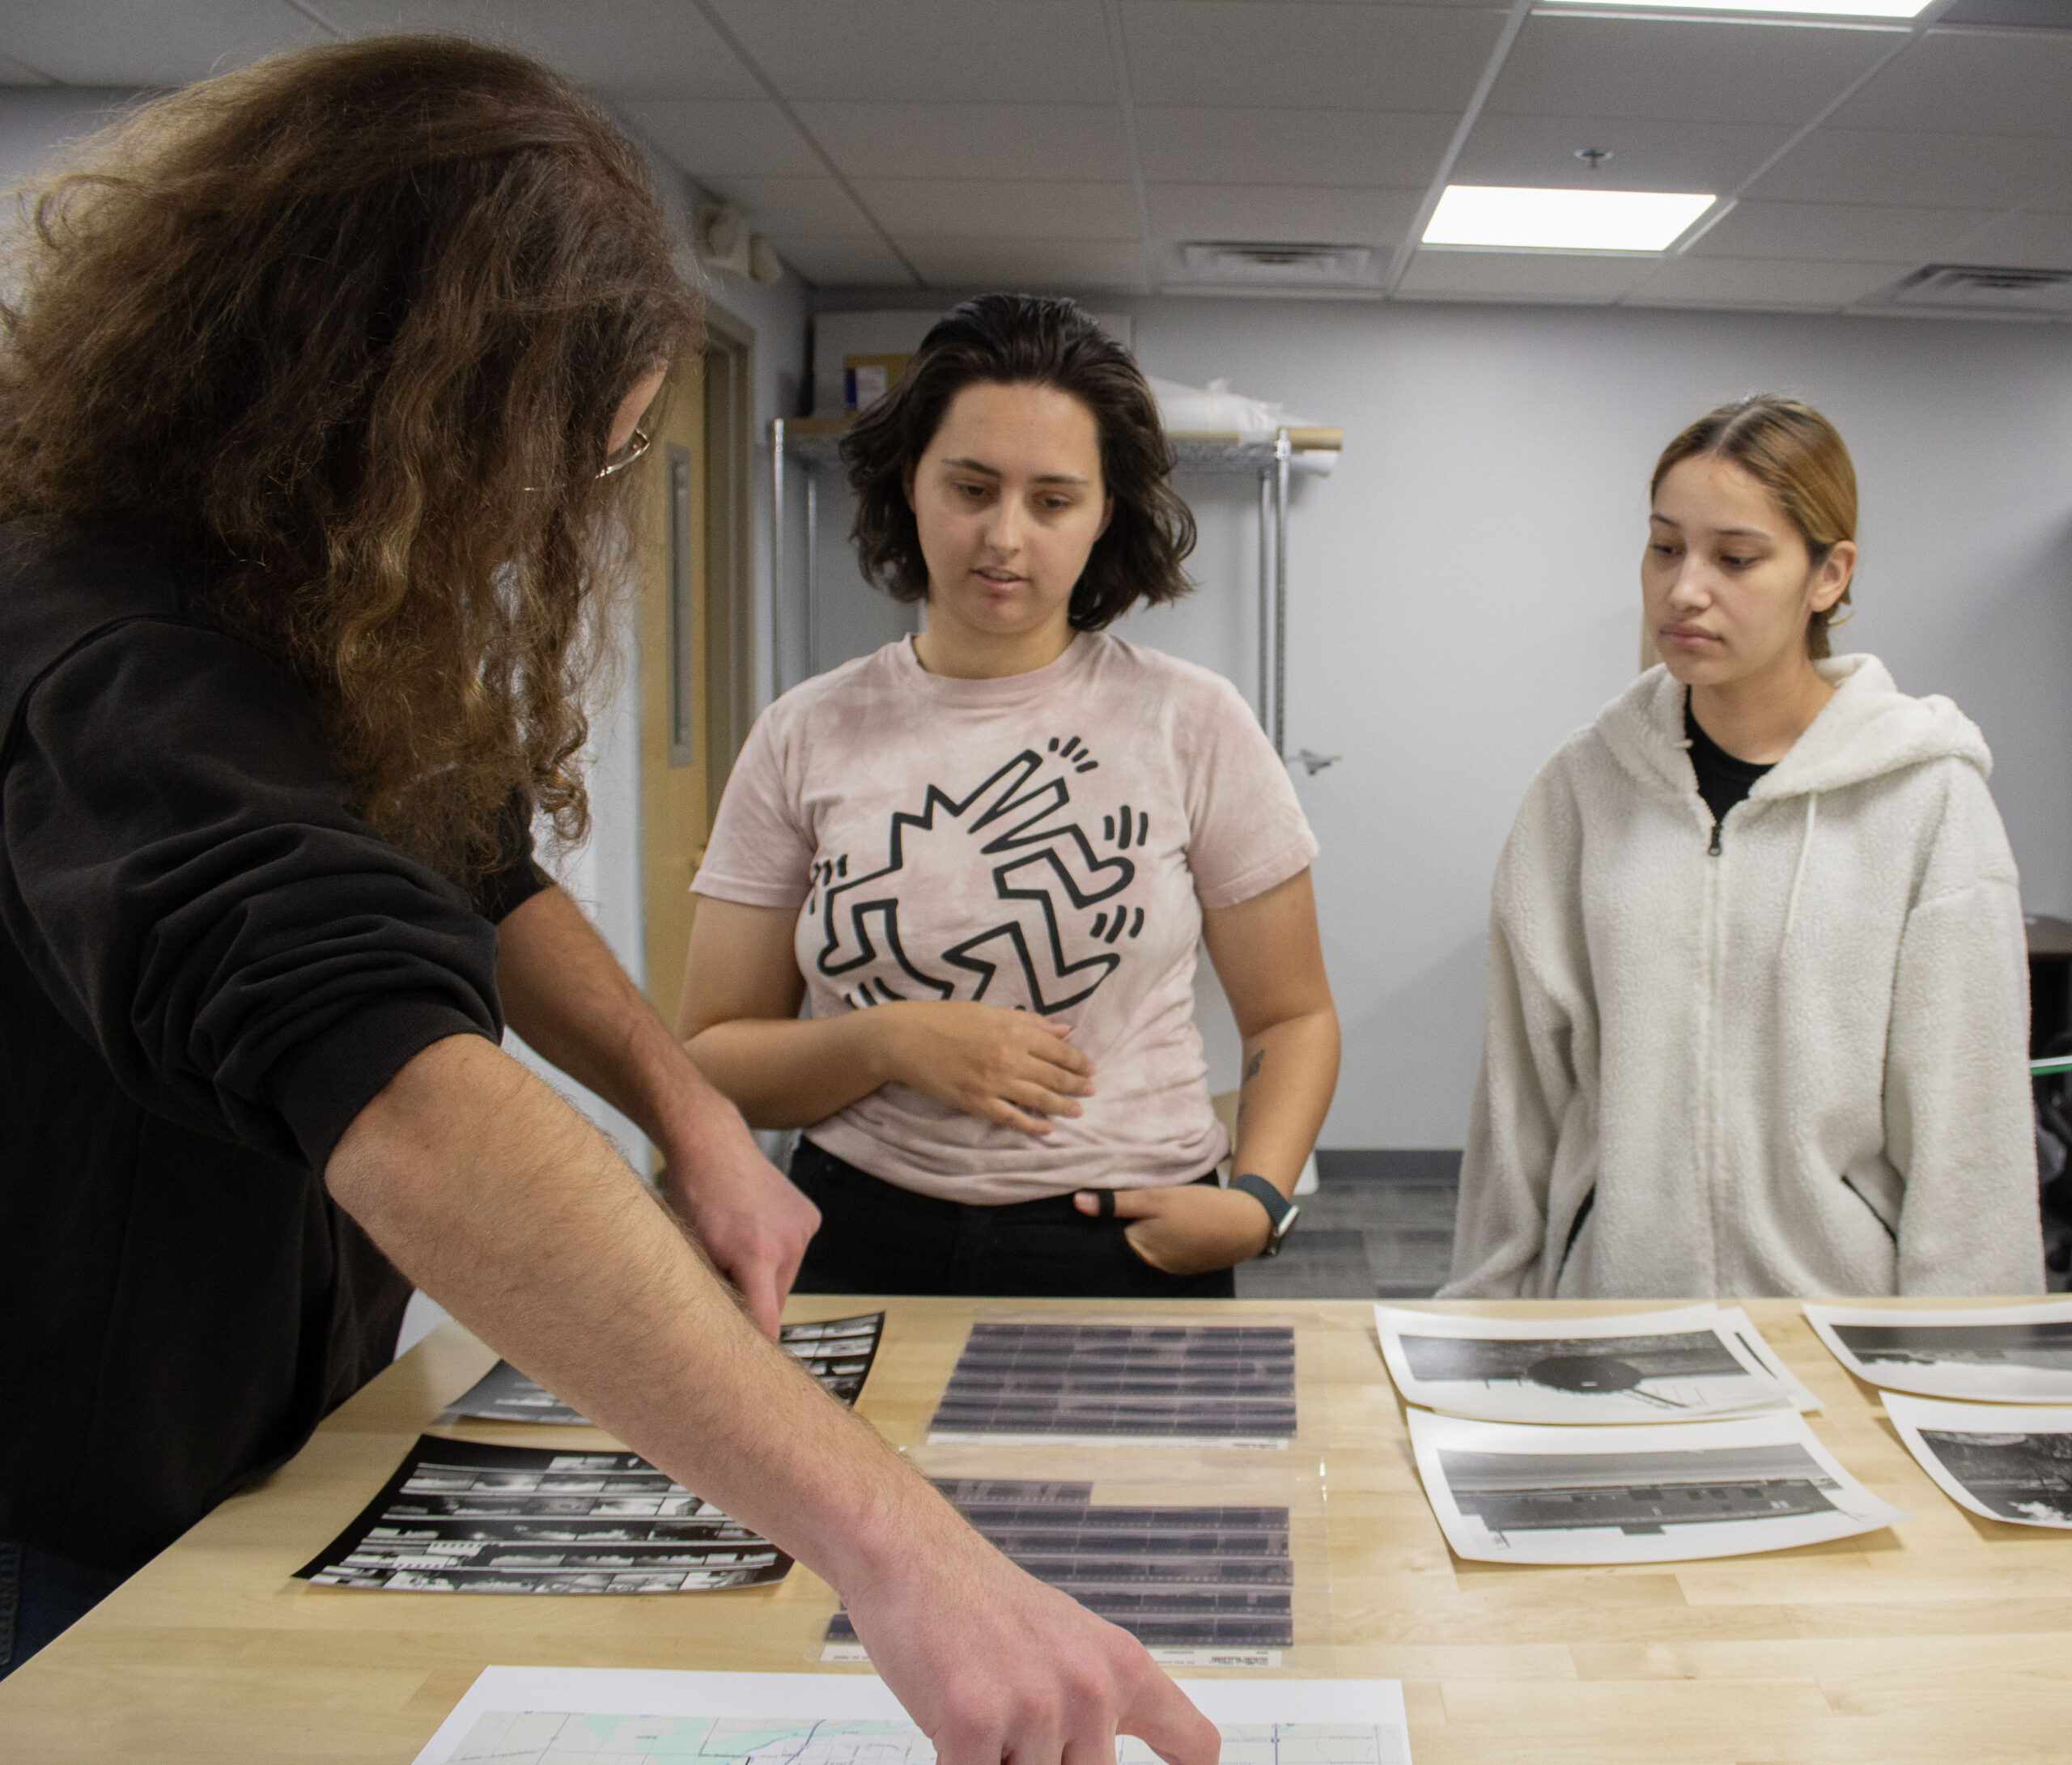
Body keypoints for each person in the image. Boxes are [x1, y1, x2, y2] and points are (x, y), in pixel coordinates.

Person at [0, 40, 1222, 1760]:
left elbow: (473, 860)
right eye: (566, 462)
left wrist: (686, 1112)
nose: (539, 526)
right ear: (407, 409)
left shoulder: (302, 605)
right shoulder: (109, 658)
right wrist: (903, 1548)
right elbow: (402, 1091)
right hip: (73, 1493)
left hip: (281, 1420)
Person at [678, 295, 1339, 1298]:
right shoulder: (803, 731)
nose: (1004, 537)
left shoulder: (1190, 719)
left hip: (1128, 1233)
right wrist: (889, 1040)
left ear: (1104, 512)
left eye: (1052, 501)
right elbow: (712, 1053)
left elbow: (1292, 1017)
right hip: (856, 1229)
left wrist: (1258, 1202)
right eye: (972, 488)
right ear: (910, 482)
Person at [1446, 393, 2042, 1300]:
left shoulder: (1925, 799)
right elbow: (1520, 1102)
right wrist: (1486, 1319)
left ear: (1829, 575)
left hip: (1838, 1333)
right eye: (1664, 547)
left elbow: (1971, 1135)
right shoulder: (1581, 791)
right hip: (1612, 1319)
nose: (1684, 589)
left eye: (1734, 558)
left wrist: (1960, 1361)